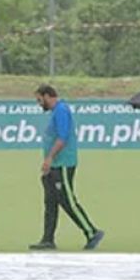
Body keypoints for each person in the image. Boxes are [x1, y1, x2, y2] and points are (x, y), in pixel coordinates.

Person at [29, 84, 104, 251]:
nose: (39, 104)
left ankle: (91, 232)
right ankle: (48, 239)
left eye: (39, 100)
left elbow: (62, 138)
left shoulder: (62, 110)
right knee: (50, 203)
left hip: (62, 164)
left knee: (68, 201)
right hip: (54, 165)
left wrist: (49, 158)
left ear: (47, 96)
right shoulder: (56, 112)